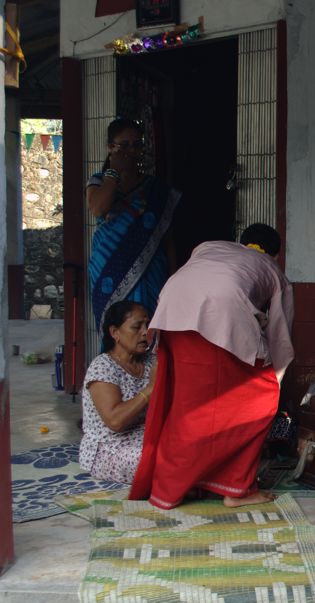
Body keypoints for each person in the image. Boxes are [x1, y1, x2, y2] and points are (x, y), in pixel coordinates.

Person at [128, 224, 294, 509]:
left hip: (173, 315)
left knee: (187, 408)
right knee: (259, 401)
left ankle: (169, 490)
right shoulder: (272, 269)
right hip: (223, 315)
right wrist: (274, 377)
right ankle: (236, 488)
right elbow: (281, 332)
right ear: (275, 253)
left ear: (241, 241)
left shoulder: (209, 246)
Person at [87, 118, 179, 332]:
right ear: (110, 147)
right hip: (109, 269)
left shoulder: (154, 188)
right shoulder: (98, 181)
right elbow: (99, 208)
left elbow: (167, 236)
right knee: (115, 330)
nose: (131, 151)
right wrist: (114, 172)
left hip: (150, 269)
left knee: (149, 330)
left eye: (137, 145)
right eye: (124, 145)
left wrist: (174, 276)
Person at [80, 301, 156, 484]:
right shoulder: (103, 367)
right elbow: (115, 421)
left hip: (146, 434)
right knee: (156, 461)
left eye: (147, 326)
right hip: (110, 447)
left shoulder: (151, 361)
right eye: (137, 327)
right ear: (115, 333)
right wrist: (151, 388)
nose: (145, 332)